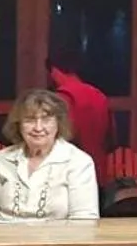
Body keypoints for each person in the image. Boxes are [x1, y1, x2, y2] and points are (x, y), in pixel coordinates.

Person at [0, 89, 100, 223]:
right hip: (4, 235)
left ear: (58, 124)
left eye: (46, 120)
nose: (38, 128)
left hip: (58, 236)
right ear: (18, 124)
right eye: (30, 120)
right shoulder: (1, 159)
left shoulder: (79, 162)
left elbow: (84, 220)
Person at [47, 47, 113, 178]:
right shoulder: (99, 95)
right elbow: (111, 139)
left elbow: (58, 139)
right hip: (98, 172)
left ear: (54, 71)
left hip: (71, 173)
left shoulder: (62, 98)